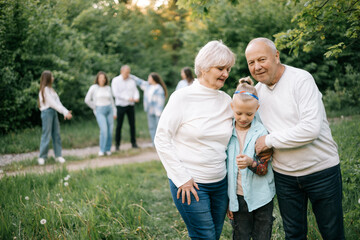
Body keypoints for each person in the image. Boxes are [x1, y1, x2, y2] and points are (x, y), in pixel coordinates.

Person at [245, 37, 344, 239]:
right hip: (285, 177)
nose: (257, 67)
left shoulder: (301, 79)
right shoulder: (258, 93)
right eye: (251, 63)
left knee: (332, 233)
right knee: (294, 234)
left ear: (276, 56)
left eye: (261, 59)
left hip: (321, 171)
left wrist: (269, 141)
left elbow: (310, 129)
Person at [154, 40, 235, 240]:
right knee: (204, 236)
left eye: (228, 69)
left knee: (214, 235)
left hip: (220, 183)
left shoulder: (227, 101)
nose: (226, 73)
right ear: (204, 68)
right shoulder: (182, 98)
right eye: (220, 68)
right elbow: (162, 139)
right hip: (191, 184)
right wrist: (182, 178)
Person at [227, 76, 275, 240]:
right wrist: (229, 202)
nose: (243, 118)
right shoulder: (226, 131)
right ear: (232, 107)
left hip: (262, 197)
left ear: (257, 109)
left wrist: (250, 162)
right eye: (238, 113)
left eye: (249, 113)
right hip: (238, 198)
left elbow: (263, 169)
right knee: (241, 235)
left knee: (262, 235)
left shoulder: (261, 132)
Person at [38, 70, 72, 165]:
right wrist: (63, 112)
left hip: (54, 112)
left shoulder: (52, 90)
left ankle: (58, 156)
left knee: (56, 134)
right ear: (48, 78)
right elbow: (53, 104)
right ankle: (42, 157)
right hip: (47, 112)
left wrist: (65, 112)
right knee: (46, 134)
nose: (53, 78)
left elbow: (58, 103)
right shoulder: (44, 90)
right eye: (51, 76)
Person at [85, 71, 117, 156]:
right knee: (104, 130)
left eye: (104, 78)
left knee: (110, 130)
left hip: (109, 109)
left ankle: (108, 149)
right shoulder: (94, 88)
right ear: (97, 79)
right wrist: (95, 107)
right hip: (100, 110)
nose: (102, 79)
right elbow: (87, 100)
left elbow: (112, 101)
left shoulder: (108, 88)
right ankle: (102, 150)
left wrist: (114, 111)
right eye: (100, 78)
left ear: (106, 79)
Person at [111, 65, 140, 150]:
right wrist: (128, 98)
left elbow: (135, 90)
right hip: (121, 105)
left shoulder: (131, 80)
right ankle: (117, 144)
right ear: (121, 72)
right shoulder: (115, 80)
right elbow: (116, 93)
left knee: (132, 125)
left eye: (128, 72)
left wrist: (136, 97)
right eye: (126, 72)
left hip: (130, 106)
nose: (127, 74)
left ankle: (133, 143)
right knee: (119, 125)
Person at [134, 72, 168, 143]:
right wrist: (130, 76)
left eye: (149, 78)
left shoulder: (159, 88)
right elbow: (139, 82)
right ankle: (154, 142)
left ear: (153, 79)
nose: (148, 79)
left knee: (159, 127)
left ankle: (161, 142)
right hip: (150, 110)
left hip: (157, 112)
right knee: (151, 127)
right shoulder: (147, 86)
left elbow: (160, 101)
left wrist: (159, 111)